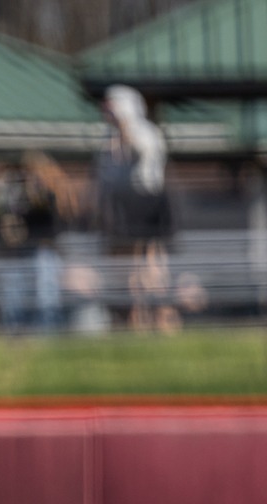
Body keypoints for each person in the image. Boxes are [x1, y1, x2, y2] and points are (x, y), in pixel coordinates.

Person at [97, 85, 175, 331]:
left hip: (146, 206)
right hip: (121, 211)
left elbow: (141, 156)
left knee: (152, 268)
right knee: (126, 273)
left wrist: (124, 127)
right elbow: (105, 177)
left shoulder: (146, 133)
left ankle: (162, 320)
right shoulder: (108, 141)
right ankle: (134, 323)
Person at [0, 152, 67, 332]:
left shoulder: (45, 196)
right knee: (13, 278)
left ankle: (47, 329)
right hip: (15, 253)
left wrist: (39, 198)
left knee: (44, 268)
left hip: (42, 251)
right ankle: (15, 331)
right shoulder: (5, 195)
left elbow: (55, 229)